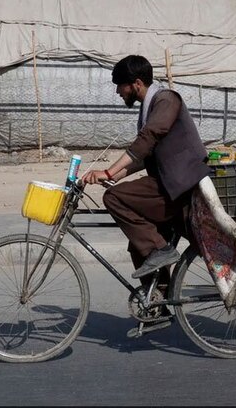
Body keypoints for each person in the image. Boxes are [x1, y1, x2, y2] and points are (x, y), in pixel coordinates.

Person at [82, 55, 209, 285]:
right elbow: (145, 157)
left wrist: (111, 173)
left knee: (114, 198)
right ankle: (157, 302)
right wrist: (113, 175)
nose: (118, 92)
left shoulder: (167, 100)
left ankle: (160, 249)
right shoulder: (149, 107)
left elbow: (148, 138)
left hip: (179, 186)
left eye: (121, 86)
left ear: (137, 83)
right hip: (168, 184)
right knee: (138, 246)